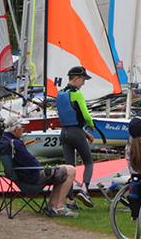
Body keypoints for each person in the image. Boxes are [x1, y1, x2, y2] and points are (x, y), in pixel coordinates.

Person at [0, 116, 78, 218]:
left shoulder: (5, 141)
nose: (23, 129)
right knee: (71, 170)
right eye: (22, 127)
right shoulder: (15, 143)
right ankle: (59, 207)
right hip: (31, 178)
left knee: (63, 171)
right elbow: (31, 162)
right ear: (16, 129)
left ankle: (52, 206)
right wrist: (42, 168)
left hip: (22, 176)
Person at [56, 66, 95, 208]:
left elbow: (68, 116)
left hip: (64, 133)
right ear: (76, 78)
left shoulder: (60, 93)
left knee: (69, 168)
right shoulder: (77, 94)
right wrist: (91, 125)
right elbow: (85, 115)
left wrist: (85, 133)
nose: (84, 83)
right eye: (83, 79)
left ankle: (70, 200)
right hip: (76, 133)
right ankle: (84, 190)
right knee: (89, 162)